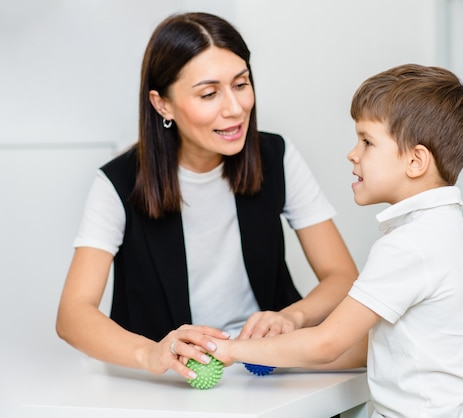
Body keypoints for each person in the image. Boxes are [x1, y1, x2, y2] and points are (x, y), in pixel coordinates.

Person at [55, 12, 358, 381]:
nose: (234, 108)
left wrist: (293, 316)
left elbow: (341, 275)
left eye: (241, 84)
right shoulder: (118, 183)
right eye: (209, 93)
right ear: (161, 104)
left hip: (264, 372)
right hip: (164, 384)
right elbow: (73, 315)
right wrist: (151, 353)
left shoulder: (277, 156)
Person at [209, 64, 463, 417]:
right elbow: (368, 346)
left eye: (367, 141)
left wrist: (230, 351)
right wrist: (276, 357)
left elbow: (327, 342)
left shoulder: (410, 244)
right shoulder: (447, 230)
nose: (353, 153)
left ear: (415, 160)